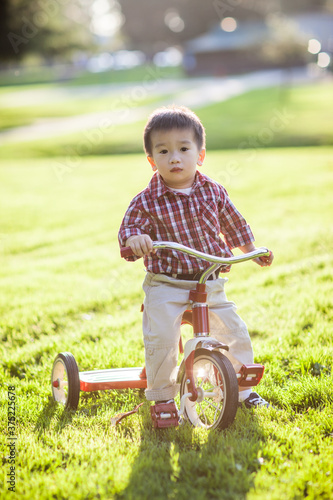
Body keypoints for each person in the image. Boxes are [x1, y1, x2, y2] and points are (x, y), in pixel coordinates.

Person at [118, 105, 274, 414]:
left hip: (209, 282)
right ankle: (162, 398)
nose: (174, 157)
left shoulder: (212, 191)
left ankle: (243, 390)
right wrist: (135, 239)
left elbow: (233, 223)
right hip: (167, 284)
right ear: (152, 161)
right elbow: (130, 228)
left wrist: (251, 250)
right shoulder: (146, 200)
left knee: (234, 332)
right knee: (161, 339)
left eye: (183, 148)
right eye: (164, 151)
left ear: (199, 154)